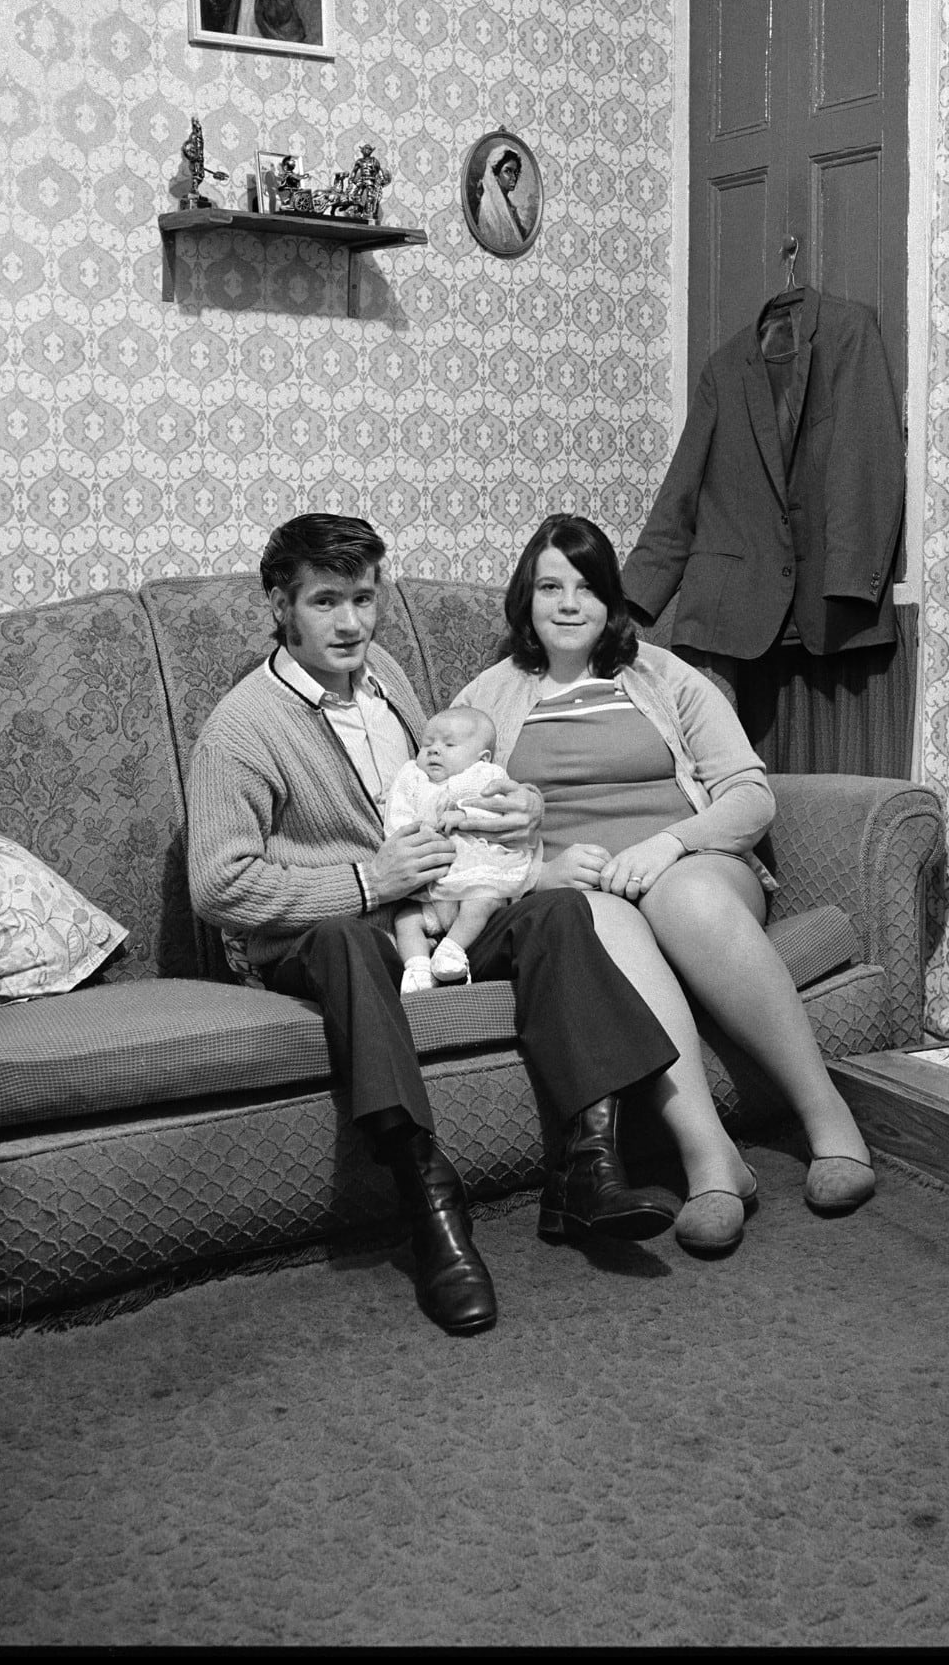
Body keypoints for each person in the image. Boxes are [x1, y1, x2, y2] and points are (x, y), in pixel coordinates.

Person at [187, 514, 683, 1337]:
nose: (350, 623)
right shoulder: (242, 727)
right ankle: (431, 1204)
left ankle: (589, 1167)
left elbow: (444, 786)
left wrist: (518, 807)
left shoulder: (384, 676)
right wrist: (361, 881)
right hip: (320, 936)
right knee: (351, 939)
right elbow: (217, 885)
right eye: (324, 602)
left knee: (558, 909)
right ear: (280, 605)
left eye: (363, 598)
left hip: (424, 912)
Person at [457, 513, 878, 1259]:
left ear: (611, 600)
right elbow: (457, 827)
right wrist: (540, 873)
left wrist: (667, 844)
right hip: (582, 890)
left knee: (681, 897)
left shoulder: (663, 674)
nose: (567, 604)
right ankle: (713, 1162)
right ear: (525, 598)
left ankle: (828, 1120)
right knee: (592, 920)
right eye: (550, 586)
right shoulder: (487, 699)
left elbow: (749, 795)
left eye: (587, 588)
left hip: (695, 867)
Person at [384, 706, 535, 993]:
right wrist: (409, 832)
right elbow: (397, 815)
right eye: (427, 744)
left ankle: (451, 950)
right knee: (406, 919)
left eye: (449, 744)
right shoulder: (413, 778)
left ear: (483, 757)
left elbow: (499, 814)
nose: (434, 751)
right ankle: (417, 969)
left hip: (473, 874)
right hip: (430, 886)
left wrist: (464, 817)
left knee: (485, 901)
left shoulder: (484, 776)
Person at [469, 146, 533, 254]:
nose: (514, 177)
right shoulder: (488, 207)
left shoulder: (510, 206)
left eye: (516, 172)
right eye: (508, 171)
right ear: (496, 174)